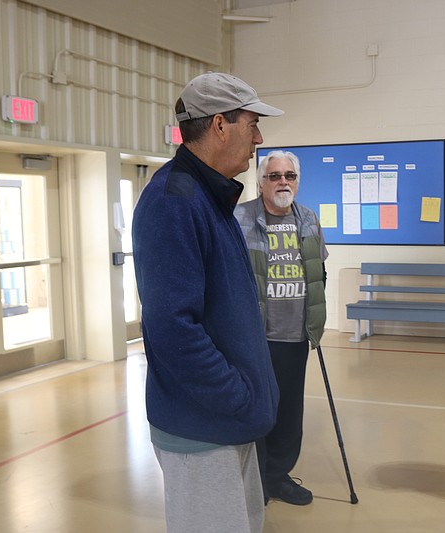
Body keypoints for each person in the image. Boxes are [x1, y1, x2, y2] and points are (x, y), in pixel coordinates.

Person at [132, 72, 283, 533]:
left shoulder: (207, 195)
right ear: (220, 125)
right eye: (252, 124)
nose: (259, 138)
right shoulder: (174, 201)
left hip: (227, 424)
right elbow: (174, 328)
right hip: (203, 429)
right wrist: (236, 395)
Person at [234, 150, 328, 506]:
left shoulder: (308, 218)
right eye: (274, 176)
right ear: (260, 182)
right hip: (256, 336)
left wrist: (315, 322)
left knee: (289, 414)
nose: (283, 182)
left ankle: (277, 477)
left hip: (295, 336)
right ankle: (254, 480)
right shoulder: (240, 218)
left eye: (289, 175)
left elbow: (319, 270)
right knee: (258, 412)